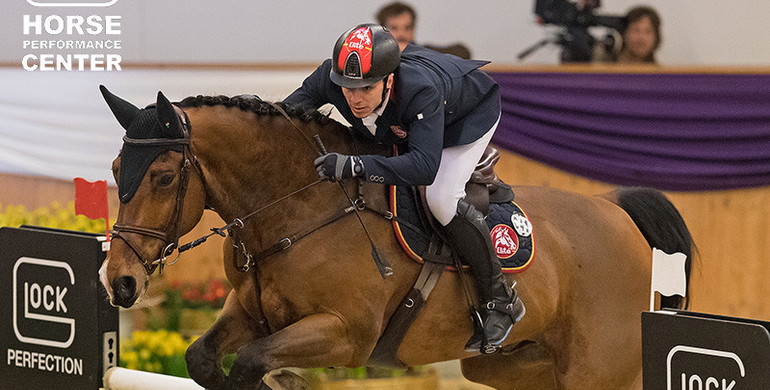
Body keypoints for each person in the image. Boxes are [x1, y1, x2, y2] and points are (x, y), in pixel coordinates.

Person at [283, 24, 524, 354]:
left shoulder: (418, 91)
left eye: (366, 88)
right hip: (408, 124)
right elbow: (284, 118)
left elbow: (423, 167)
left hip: (466, 118)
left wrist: (355, 166)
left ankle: (501, 299)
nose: (353, 98)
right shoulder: (331, 77)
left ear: (389, 79)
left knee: (441, 199)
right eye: (347, 87)